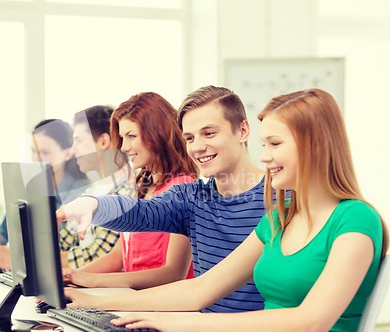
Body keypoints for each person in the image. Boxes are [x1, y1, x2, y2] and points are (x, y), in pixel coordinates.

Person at [64, 89, 389, 332]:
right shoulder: (279, 217)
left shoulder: (351, 219)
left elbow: (309, 323)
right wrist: (95, 301)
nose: (265, 155)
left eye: (275, 143)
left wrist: (184, 324)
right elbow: (199, 288)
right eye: (189, 138)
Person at [58, 85, 266, 313]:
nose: (197, 147)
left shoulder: (283, 198)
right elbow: (140, 212)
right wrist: (93, 204)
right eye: (189, 137)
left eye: (209, 133)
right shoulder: (190, 198)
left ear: (243, 130)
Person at [63, 92, 198, 290]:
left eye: (131, 136)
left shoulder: (184, 187)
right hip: (135, 300)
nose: (124, 147)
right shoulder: (141, 187)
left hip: (165, 306)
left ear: (158, 133)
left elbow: (174, 273)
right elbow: (119, 257)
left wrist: (91, 281)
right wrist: (74, 277)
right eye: (123, 137)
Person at [0, 118, 90, 269]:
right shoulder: (32, 184)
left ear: (68, 153)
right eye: (33, 151)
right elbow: (5, 229)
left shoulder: (82, 193)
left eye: (44, 152)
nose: (36, 158)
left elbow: (58, 247)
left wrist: (15, 256)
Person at [59, 105, 135, 269]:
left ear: (103, 141)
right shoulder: (90, 192)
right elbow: (63, 240)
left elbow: (98, 255)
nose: (73, 150)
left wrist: (38, 261)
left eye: (78, 140)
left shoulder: (130, 192)